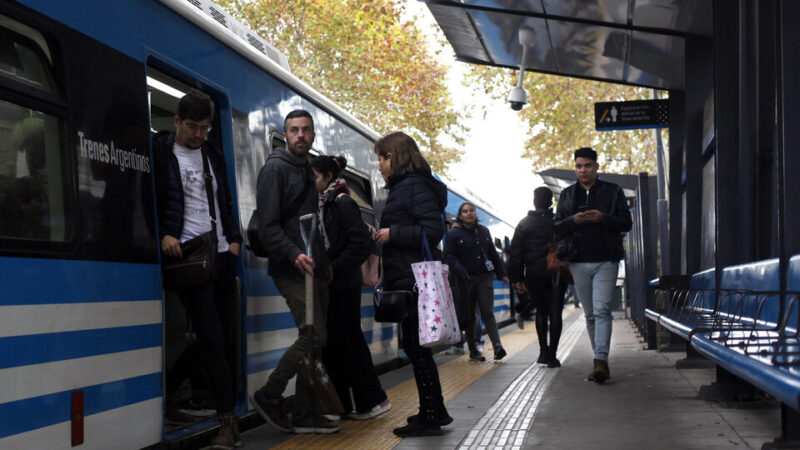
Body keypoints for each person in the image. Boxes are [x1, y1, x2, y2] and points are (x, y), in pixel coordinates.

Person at [153, 91, 243, 449]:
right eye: (192, 127)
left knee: (219, 339)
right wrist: (163, 234)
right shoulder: (161, 154)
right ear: (176, 121)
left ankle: (172, 391)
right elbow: (146, 200)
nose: (198, 135)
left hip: (221, 255)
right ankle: (227, 424)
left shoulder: (212, 155)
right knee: (210, 338)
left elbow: (225, 201)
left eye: (204, 128)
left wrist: (234, 240)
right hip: (188, 257)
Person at [250, 110, 338, 434]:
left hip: (313, 267)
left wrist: (324, 263)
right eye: (294, 130)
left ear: (313, 136)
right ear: (285, 135)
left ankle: (304, 413)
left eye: (306, 130)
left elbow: (312, 224)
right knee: (314, 335)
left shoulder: (304, 170)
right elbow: (268, 227)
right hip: (290, 268)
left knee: (314, 343)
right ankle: (269, 394)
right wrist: (294, 254)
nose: (300, 135)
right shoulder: (275, 169)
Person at [373, 131, 451, 437]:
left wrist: (393, 234)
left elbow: (431, 231)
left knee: (418, 350)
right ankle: (433, 410)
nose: (379, 164)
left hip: (413, 280)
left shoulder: (414, 186)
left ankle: (431, 414)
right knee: (417, 349)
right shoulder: (406, 187)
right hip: (407, 277)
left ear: (393, 157)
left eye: (381, 157)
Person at [311, 154, 392, 420]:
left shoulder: (342, 202)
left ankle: (374, 400)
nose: (310, 182)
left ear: (328, 177)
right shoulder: (323, 203)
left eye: (315, 176)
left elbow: (360, 244)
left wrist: (335, 267)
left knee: (350, 342)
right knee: (334, 343)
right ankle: (341, 404)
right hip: (332, 283)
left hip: (344, 283)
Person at [554, 147, 632, 383]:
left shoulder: (613, 191)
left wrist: (603, 218)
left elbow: (626, 223)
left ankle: (600, 361)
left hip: (606, 260)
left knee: (601, 310)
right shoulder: (567, 195)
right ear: (575, 168)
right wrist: (573, 220)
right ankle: (599, 359)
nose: (583, 170)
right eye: (579, 166)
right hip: (578, 262)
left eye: (587, 165)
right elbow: (557, 227)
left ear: (596, 167)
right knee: (589, 315)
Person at [444, 202, 510, 362]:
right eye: (465, 211)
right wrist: (461, 270)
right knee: (470, 316)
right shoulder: (454, 234)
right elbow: (449, 256)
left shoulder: (484, 231)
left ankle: (498, 347)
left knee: (487, 312)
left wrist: (502, 274)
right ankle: (473, 351)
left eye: (471, 211)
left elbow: (493, 255)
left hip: (484, 278)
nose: (469, 213)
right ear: (460, 215)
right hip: (465, 280)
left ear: (475, 213)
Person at [509, 187, 566, 368]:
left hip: (534, 274)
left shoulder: (524, 224)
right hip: (557, 272)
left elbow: (516, 255)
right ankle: (553, 355)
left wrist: (517, 279)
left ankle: (543, 351)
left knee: (541, 311)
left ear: (534, 201)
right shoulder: (559, 221)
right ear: (551, 202)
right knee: (556, 312)